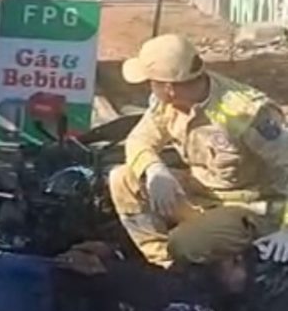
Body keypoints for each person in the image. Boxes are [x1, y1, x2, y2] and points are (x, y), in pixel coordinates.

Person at [109, 34, 288, 268]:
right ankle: (164, 264)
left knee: (185, 243)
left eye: (150, 81)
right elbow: (140, 139)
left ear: (168, 87)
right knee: (122, 178)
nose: (149, 88)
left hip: (246, 207)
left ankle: (193, 258)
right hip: (200, 195)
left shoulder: (245, 113)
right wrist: (155, 170)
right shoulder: (167, 103)